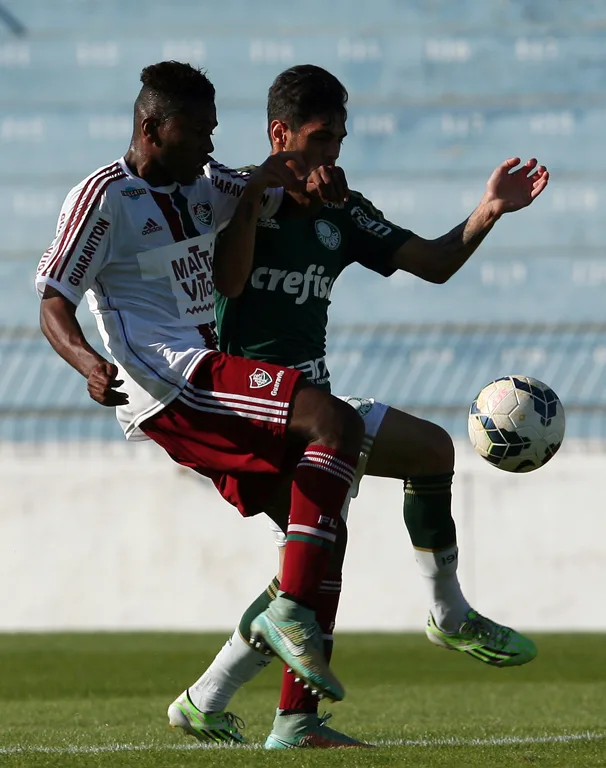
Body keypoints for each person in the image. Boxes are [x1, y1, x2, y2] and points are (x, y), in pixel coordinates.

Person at [166, 65, 550, 749]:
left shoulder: (341, 209)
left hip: (318, 411)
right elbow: (226, 279)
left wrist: (488, 209)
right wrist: (261, 200)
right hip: (249, 411)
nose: (331, 155)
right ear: (280, 133)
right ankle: (277, 716)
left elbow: (432, 262)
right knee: (312, 565)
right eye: (318, 139)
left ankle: (440, 617)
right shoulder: (229, 200)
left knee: (428, 453)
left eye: (339, 140)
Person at [35, 60, 368, 705]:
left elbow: (271, 191)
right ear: (151, 128)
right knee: (337, 423)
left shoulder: (205, 183)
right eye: (196, 132)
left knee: (322, 529)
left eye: (213, 131)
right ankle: (292, 616)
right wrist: (88, 363)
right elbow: (53, 302)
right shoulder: (104, 199)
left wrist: (316, 182)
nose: (209, 145)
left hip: (198, 377)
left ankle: (243, 711)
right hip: (167, 379)